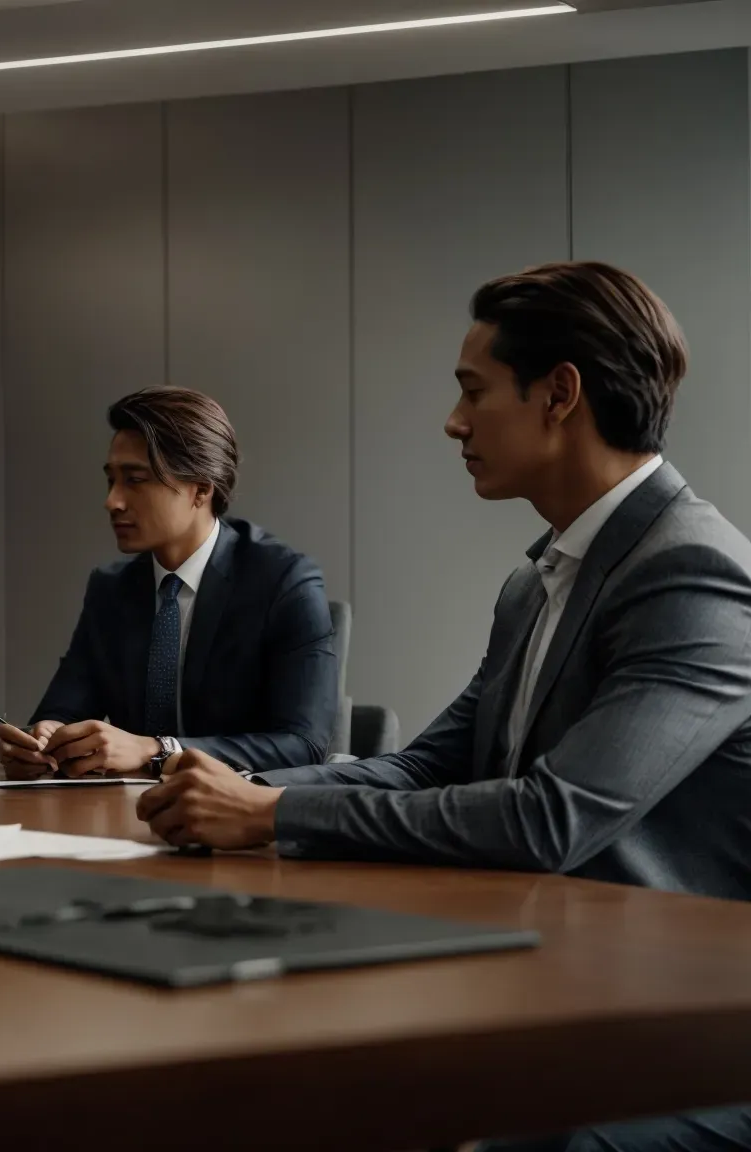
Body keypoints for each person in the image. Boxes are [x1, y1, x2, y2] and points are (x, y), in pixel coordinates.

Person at [139, 262, 750, 1148]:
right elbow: (427, 764)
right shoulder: (536, 579)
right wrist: (223, 785)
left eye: (474, 391)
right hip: (555, 979)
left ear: (559, 394)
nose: (453, 422)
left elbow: (553, 819)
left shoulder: (693, 572)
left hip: (679, 1023)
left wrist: (271, 811)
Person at [0, 387, 337, 780]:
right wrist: (41, 742)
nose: (113, 501)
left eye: (135, 481)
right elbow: (62, 711)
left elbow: (304, 744)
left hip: (238, 819)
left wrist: (158, 751)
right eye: (111, 481)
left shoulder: (284, 581)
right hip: (123, 816)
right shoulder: (111, 590)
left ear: (202, 489)